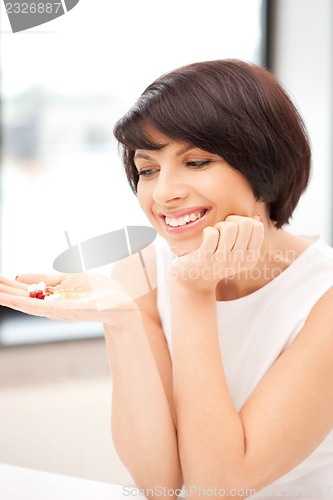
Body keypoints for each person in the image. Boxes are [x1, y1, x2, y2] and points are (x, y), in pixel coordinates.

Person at [0, 59, 333, 499]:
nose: (162, 194)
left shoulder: (323, 298)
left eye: (196, 161)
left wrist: (193, 293)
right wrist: (122, 321)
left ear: (264, 164)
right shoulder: (142, 267)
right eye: (148, 169)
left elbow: (216, 488)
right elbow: (160, 484)